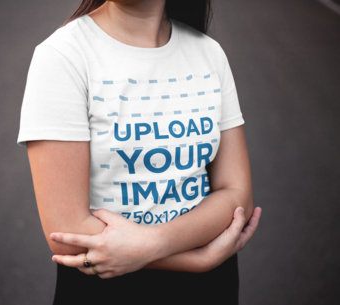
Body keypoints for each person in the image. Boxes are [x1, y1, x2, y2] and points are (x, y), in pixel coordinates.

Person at [16, 0, 262, 304]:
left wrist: (155, 242)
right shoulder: (64, 56)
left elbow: (237, 195)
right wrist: (197, 260)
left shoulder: (209, 54)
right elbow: (66, 231)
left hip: (211, 290)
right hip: (106, 286)